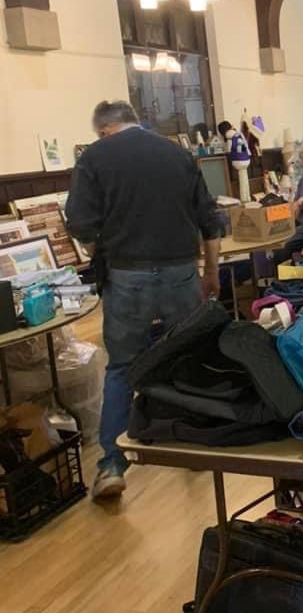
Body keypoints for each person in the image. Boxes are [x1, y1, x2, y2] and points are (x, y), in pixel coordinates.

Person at [66, 101, 223, 500]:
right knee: (186, 358)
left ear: (103, 130)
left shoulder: (95, 157)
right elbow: (210, 220)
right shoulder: (178, 153)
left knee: (121, 368)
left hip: (127, 275)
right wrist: (211, 273)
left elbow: (81, 225)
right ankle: (194, 444)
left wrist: (104, 245)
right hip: (181, 272)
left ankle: (112, 466)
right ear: (135, 122)